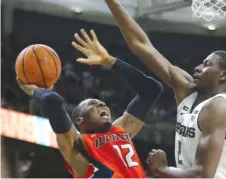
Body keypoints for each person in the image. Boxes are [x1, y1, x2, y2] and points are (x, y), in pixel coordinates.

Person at [104, 0, 226, 178]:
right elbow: (142, 45)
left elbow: (204, 175)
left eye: (207, 65)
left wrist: (162, 170)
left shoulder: (219, 108)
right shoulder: (187, 90)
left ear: (224, 75)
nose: (198, 67)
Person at [17, 29, 163, 178]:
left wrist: (111, 62)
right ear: (80, 120)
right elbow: (53, 101)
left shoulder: (120, 131)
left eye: (102, 104)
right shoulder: (77, 144)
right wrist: (34, 91)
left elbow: (152, 90)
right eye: (93, 104)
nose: (102, 105)